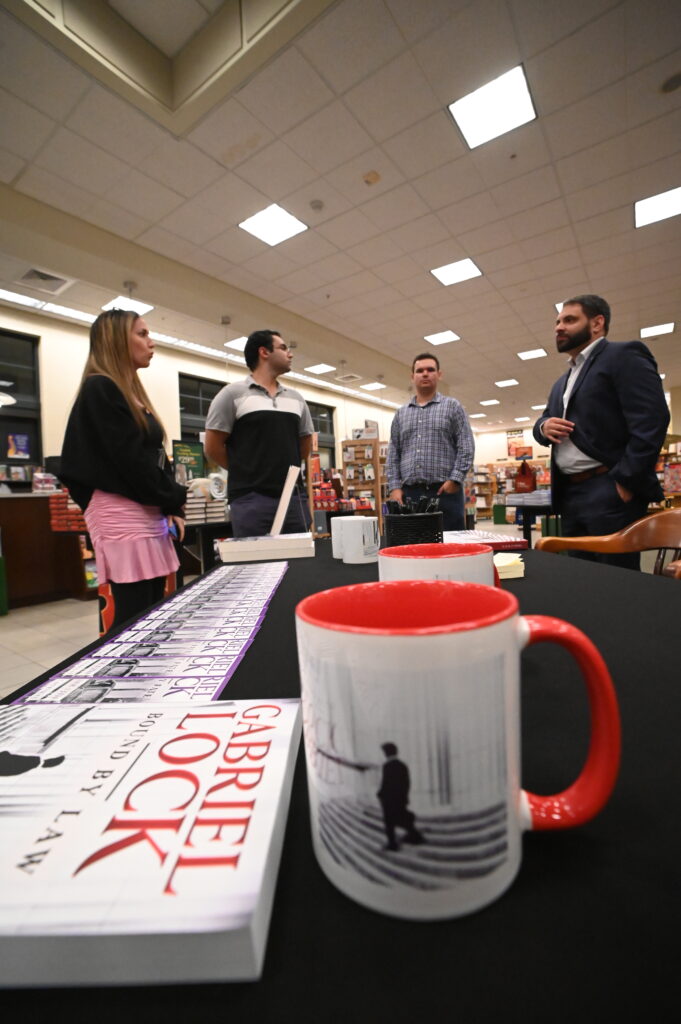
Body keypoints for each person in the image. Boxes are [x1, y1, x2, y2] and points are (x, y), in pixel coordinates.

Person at [59, 309, 187, 629]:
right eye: (142, 334)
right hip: (122, 514)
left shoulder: (130, 393)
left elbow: (154, 457)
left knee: (152, 610)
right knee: (134, 616)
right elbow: (130, 462)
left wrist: (171, 505)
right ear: (117, 340)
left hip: (146, 511)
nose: (151, 342)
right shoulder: (100, 388)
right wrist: (174, 497)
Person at [533, 294, 669, 570]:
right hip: (570, 493)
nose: (559, 327)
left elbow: (652, 419)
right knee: (582, 575)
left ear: (597, 323)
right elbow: (544, 420)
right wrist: (543, 427)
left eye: (569, 320)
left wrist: (625, 481)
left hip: (609, 488)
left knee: (616, 577)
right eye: (557, 322)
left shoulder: (623, 355)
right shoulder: (562, 381)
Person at [204, 330, 313, 537]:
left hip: (292, 498)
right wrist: (247, 471)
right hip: (250, 500)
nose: (290, 354)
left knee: (299, 557)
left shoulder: (296, 399)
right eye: (283, 348)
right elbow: (212, 447)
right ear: (264, 352)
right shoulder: (231, 395)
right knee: (255, 557)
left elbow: (305, 444)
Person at [386, 353, 474, 530]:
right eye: (420, 371)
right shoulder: (401, 414)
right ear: (412, 377)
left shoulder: (452, 407)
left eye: (430, 370)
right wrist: (394, 487)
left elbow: (466, 446)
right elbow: (393, 454)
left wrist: (455, 480)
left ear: (439, 374)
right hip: (410, 496)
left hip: (445, 493)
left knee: (450, 543)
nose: (425, 374)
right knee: (414, 543)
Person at [377, 742, 423, 852]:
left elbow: (386, 783)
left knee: (389, 822)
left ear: (387, 753)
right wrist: (404, 797)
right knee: (400, 819)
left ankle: (392, 844)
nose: (384, 754)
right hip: (400, 799)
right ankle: (415, 835)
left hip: (389, 801)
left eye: (384, 751)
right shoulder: (403, 765)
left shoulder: (387, 766)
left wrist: (380, 794)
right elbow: (406, 783)